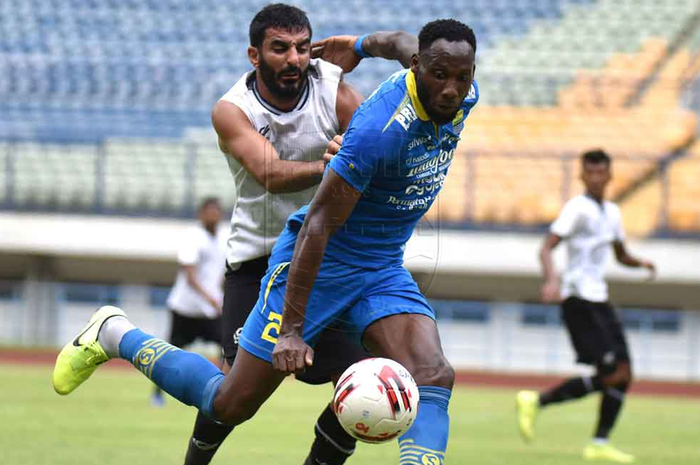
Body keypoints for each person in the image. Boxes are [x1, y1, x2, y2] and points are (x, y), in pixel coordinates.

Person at [52, 18, 478, 465]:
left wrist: (358, 44)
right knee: (230, 403)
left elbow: (399, 41)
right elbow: (315, 225)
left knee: (433, 373)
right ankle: (116, 334)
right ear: (417, 69)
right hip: (315, 262)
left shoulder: (461, 90)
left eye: (462, 77)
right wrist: (291, 332)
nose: (451, 89)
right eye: (440, 75)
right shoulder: (375, 131)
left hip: (380, 266)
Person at [516, 149, 656, 464]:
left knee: (623, 373)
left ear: (609, 175)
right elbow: (547, 248)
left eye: (600, 172)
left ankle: (599, 442)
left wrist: (641, 263)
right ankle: (536, 401)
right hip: (578, 299)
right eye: (589, 173)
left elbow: (621, 255)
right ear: (582, 176)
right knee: (611, 373)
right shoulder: (576, 209)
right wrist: (551, 280)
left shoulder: (612, 212)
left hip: (600, 299)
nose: (595, 178)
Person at [151, 197, 226, 407]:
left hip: (210, 311)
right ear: (200, 214)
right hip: (185, 308)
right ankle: (157, 394)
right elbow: (190, 276)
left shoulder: (223, 239)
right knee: (170, 354)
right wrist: (210, 297)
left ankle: (220, 392)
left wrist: (219, 295)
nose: (213, 214)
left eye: (216, 211)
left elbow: (221, 273)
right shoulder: (193, 237)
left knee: (228, 346)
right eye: (209, 210)